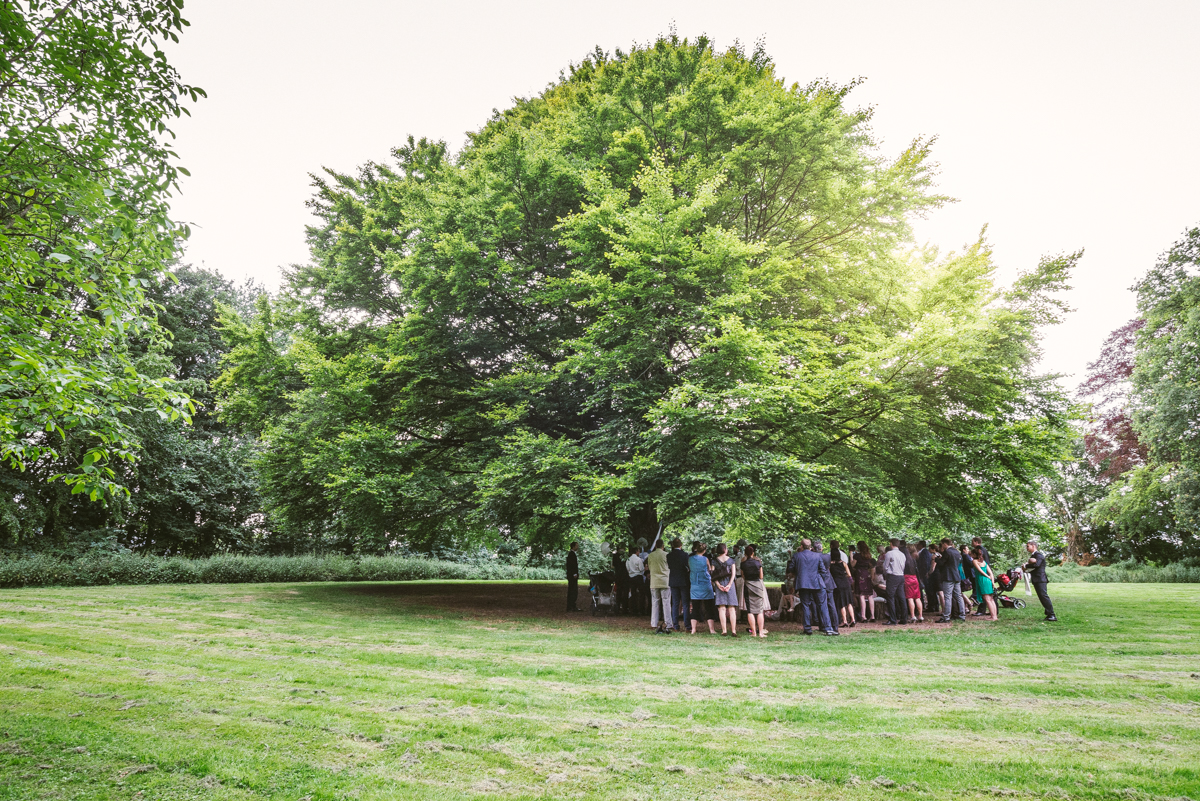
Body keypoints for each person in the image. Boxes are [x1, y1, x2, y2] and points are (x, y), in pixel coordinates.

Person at [791, 538, 835, 635]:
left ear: (801, 546)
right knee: (823, 606)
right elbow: (823, 571)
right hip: (817, 583)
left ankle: (807, 629)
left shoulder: (797, 556)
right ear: (810, 546)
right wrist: (820, 580)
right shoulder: (817, 556)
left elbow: (791, 568)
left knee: (806, 606)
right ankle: (828, 628)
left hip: (803, 584)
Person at [933, 539, 966, 622]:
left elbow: (942, 563)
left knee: (947, 596)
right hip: (956, 576)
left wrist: (936, 559)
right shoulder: (956, 551)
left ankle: (946, 616)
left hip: (948, 576)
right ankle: (962, 615)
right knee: (959, 596)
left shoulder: (947, 552)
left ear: (945, 544)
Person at [688, 542, 717, 634]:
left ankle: (693, 629)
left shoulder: (690, 559)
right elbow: (709, 570)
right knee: (709, 607)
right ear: (704, 551)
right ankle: (712, 629)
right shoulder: (705, 559)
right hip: (705, 584)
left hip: (694, 585)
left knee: (695, 607)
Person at [1024, 540, 1057, 621]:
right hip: (1037, 579)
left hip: (1040, 579)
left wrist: (1025, 565)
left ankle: (1052, 615)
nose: (1026, 548)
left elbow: (1037, 565)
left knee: (1044, 596)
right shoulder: (1034, 555)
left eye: (1028, 546)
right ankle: (1049, 614)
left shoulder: (1039, 555)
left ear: (1033, 546)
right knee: (1042, 597)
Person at [740, 545, 768, 638]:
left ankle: (753, 633)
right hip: (758, 587)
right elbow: (761, 576)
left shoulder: (743, 564)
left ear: (745, 553)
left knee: (750, 610)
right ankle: (760, 632)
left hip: (748, 586)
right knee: (760, 611)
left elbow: (743, 576)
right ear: (753, 553)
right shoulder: (758, 563)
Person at [812, 540, 840, 634]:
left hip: (819, 582)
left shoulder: (814, 557)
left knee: (820, 604)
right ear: (821, 548)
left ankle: (823, 625)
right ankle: (835, 625)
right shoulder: (827, 556)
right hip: (828, 581)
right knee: (831, 605)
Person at [712, 543, 739, 636]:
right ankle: (734, 630)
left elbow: (713, 574)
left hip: (720, 585)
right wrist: (729, 585)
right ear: (725, 550)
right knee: (732, 608)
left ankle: (724, 630)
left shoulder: (714, 561)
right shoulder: (731, 560)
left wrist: (718, 585)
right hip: (729, 585)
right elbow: (733, 574)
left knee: (722, 608)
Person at [646, 540, 672, 633]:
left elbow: (649, 567)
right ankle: (668, 623)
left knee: (655, 603)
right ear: (663, 546)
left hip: (654, 581)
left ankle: (654, 622)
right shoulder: (666, 555)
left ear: (655, 545)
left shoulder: (650, 555)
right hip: (665, 581)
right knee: (666, 603)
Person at [880, 539, 908, 625]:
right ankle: (904, 618)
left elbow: (885, 566)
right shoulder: (902, 554)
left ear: (891, 544)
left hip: (892, 576)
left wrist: (886, 572)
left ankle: (892, 619)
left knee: (890, 597)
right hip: (901, 576)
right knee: (902, 597)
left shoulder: (889, 553)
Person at [829, 540, 856, 627]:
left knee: (841, 603)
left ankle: (844, 621)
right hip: (845, 583)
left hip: (837, 584)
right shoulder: (844, 563)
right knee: (849, 602)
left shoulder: (830, 565)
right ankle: (853, 619)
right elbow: (849, 574)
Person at [667, 537, 690, 632]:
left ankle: (675, 624)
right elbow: (687, 566)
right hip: (683, 580)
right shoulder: (685, 555)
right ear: (681, 545)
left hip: (673, 580)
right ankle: (687, 625)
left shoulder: (669, 555)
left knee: (675, 603)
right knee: (685, 603)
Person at [851, 541, 877, 623]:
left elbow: (852, 565)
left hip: (860, 575)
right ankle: (872, 616)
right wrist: (872, 576)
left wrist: (851, 555)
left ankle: (863, 616)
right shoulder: (869, 556)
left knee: (862, 595)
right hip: (867, 575)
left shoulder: (857, 556)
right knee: (870, 595)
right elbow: (872, 567)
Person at [970, 546, 998, 621]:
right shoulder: (984, 562)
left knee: (987, 599)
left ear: (974, 554)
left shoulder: (974, 561)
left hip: (982, 580)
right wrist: (992, 581)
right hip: (988, 580)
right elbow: (991, 573)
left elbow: (980, 571)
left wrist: (987, 576)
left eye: (972, 554)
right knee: (991, 599)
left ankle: (993, 617)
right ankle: (994, 615)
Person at [904, 542, 924, 623]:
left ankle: (912, 616)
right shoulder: (914, 560)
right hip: (915, 578)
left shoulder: (906, 559)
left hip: (907, 578)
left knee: (910, 598)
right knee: (917, 598)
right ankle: (920, 615)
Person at [916, 539, 937, 615]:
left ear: (921, 545)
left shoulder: (924, 552)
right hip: (926, 573)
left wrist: (924, 573)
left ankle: (932, 606)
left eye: (918, 544)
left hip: (925, 574)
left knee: (929, 590)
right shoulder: (925, 552)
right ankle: (933, 605)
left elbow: (924, 564)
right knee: (930, 590)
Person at [626, 546, 647, 615]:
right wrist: (645, 569)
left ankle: (633, 609)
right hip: (638, 577)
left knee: (633, 593)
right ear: (637, 551)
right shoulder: (638, 560)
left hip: (631, 577)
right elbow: (641, 569)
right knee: (642, 593)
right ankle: (641, 609)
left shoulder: (628, 560)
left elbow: (627, 568)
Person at [611, 546, 628, 614]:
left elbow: (613, 565)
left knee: (618, 592)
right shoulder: (625, 556)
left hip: (618, 576)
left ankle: (617, 607)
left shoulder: (615, 556)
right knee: (625, 592)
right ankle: (625, 608)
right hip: (625, 576)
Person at [565, 541, 580, 612]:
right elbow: (572, 565)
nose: (578, 547)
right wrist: (574, 573)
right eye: (577, 546)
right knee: (572, 591)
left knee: (573, 591)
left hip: (572, 575)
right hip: (572, 576)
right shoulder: (571, 554)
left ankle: (572, 606)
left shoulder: (572, 554)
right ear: (573, 546)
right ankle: (571, 606)